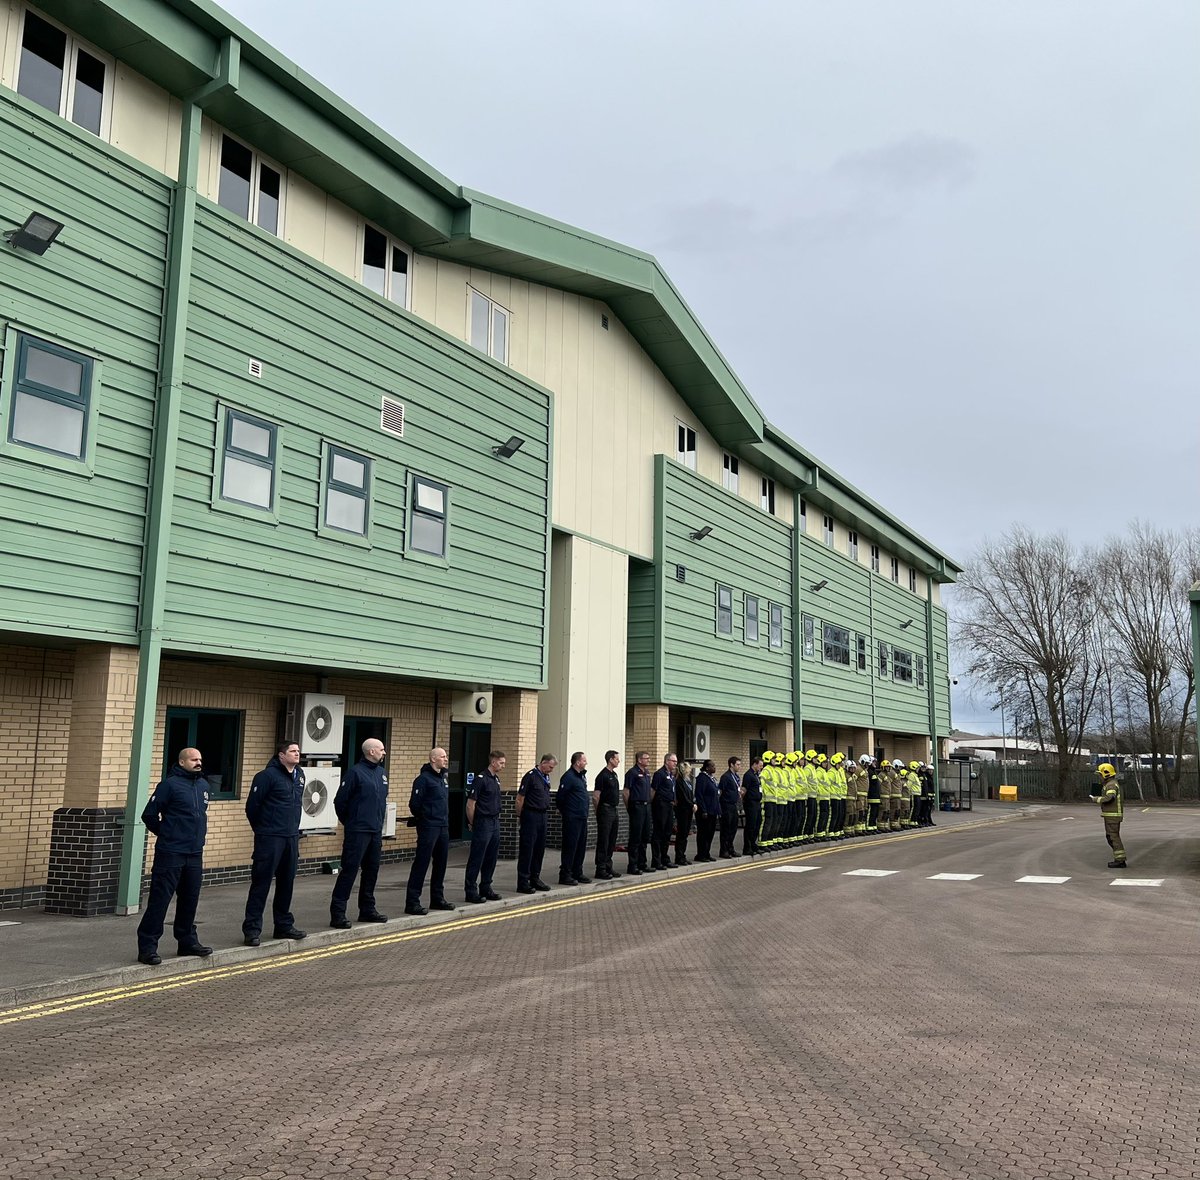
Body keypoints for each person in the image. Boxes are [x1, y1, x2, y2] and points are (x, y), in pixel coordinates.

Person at [136, 747, 211, 965]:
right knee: (160, 901)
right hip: (171, 853)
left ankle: (187, 941)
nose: (198, 762)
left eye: (200, 759)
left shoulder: (204, 785)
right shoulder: (169, 785)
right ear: (181, 762)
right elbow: (149, 815)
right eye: (193, 759)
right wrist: (168, 833)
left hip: (194, 853)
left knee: (190, 900)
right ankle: (148, 947)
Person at [242, 740, 306, 946]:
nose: (297, 754)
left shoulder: (300, 776)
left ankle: (283, 926)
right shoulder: (266, 776)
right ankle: (252, 930)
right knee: (261, 885)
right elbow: (252, 807)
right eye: (293, 751)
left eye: (298, 751)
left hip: (291, 837)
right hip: (269, 838)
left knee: (286, 884)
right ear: (281, 755)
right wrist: (263, 830)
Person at [331, 738, 391, 927]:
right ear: (371, 752)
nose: (384, 752)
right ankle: (338, 913)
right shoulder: (355, 773)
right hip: (357, 831)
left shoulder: (382, 773)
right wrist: (351, 822)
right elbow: (340, 802)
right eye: (381, 749)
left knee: (371, 871)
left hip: (375, 831)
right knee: (349, 870)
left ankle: (367, 909)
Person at [405, 747, 456, 915]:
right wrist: (426, 818)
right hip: (428, 827)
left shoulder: (443, 779)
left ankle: (437, 898)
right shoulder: (423, 780)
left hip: (443, 826)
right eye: (442, 757)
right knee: (422, 863)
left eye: (446, 756)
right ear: (433, 759)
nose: (446, 759)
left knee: (440, 864)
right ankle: (412, 902)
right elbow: (414, 805)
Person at [465, 750, 505, 903]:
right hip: (483, 822)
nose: (503, 766)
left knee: (491, 857)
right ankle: (470, 890)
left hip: (495, 821)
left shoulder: (496, 779)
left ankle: (486, 887)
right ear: (493, 762)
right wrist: (473, 823)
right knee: (477, 857)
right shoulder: (480, 779)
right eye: (501, 763)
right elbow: (470, 804)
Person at [516, 754, 557, 893]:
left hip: (542, 815)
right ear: (543, 763)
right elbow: (520, 798)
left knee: (539, 849)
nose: (551, 770)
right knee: (528, 849)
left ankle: (535, 878)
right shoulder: (531, 776)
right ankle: (523, 881)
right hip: (531, 814)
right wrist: (520, 816)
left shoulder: (545, 777)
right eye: (550, 767)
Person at [557, 751, 591, 885]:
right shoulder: (568, 777)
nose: (586, 762)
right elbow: (560, 797)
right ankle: (565, 874)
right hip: (572, 818)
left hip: (582, 817)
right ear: (577, 762)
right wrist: (566, 813)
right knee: (570, 846)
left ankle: (577, 872)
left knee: (580, 846)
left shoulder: (581, 776)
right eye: (584, 760)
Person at [593, 750, 622, 880]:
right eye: (616, 759)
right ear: (610, 759)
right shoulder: (602, 776)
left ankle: (608, 865)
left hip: (614, 809)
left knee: (612, 839)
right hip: (605, 809)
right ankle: (601, 868)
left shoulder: (614, 775)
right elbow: (595, 797)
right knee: (604, 840)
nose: (618, 761)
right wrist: (598, 812)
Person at [1091, 762, 1126, 867]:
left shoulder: (1111, 785)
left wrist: (1096, 799)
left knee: (1113, 837)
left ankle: (1120, 861)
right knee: (1111, 837)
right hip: (1111, 816)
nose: (1099, 777)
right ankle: (1120, 859)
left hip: (1113, 816)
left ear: (1106, 775)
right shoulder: (1109, 784)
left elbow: (1110, 798)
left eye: (1100, 775)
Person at [624, 750, 653, 874]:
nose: (648, 760)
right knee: (635, 837)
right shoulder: (632, 773)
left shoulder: (646, 773)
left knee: (645, 836)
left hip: (646, 807)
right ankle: (633, 865)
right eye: (646, 758)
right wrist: (630, 807)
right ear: (639, 760)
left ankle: (642, 863)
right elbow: (626, 792)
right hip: (637, 806)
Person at [649, 753, 678, 871]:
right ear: (667, 761)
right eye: (673, 761)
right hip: (660, 806)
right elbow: (653, 791)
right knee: (658, 833)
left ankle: (664, 858)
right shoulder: (659, 774)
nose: (675, 764)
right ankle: (656, 860)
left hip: (669, 806)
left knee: (667, 833)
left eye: (676, 761)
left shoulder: (671, 775)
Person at [693, 760, 720, 861]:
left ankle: (707, 853)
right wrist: (703, 810)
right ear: (707, 768)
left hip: (713, 810)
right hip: (705, 811)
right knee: (703, 834)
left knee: (710, 833)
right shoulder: (702, 778)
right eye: (712, 766)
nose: (714, 768)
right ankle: (701, 854)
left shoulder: (711, 778)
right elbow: (699, 795)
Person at [718, 756, 742, 858]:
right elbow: (720, 791)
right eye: (737, 764)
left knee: (733, 828)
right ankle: (724, 850)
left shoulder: (736, 777)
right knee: (726, 829)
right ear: (731, 765)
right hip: (726, 805)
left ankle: (730, 848)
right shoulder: (726, 777)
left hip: (734, 805)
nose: (739, 767)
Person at [673, 759, 696, 865]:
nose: (690, 770)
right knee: (681, 834)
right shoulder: (679, 781)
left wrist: (694, 803)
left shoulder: (688, 781)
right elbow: (683, 797)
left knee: (685, 834)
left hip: (689, 810)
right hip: (683, 810)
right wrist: (691, 805)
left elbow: (691, 795)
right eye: (689, 769)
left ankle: (683, 855)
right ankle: (679, 856)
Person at [742, 754, 763, 856]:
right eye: (760, 765)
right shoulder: (748, 775)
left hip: (757, 802)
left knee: (757, 823)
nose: (761, 767)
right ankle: (747, 847)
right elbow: (744, 789)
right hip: (751, 803)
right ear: (754, 764)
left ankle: (753, 844)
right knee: (750, 825)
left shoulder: (756, 775)